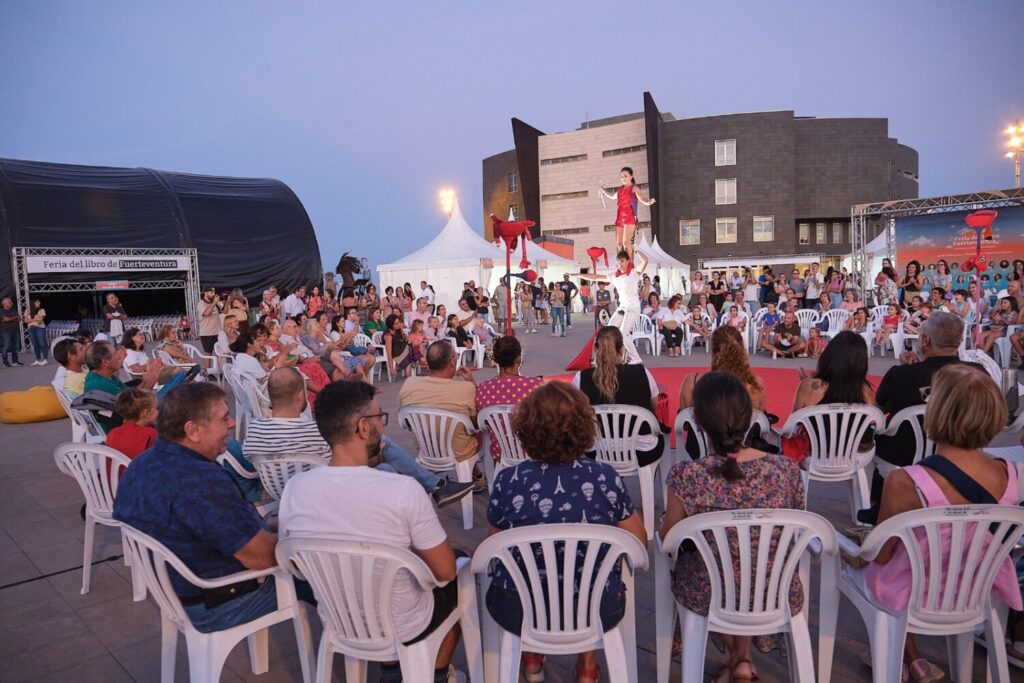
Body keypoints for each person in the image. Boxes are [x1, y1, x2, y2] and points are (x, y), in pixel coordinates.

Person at [278, 381, 468, 683]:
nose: (382, 424)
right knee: (461, 574)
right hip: (405, 624)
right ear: (363, 428)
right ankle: (438, 674)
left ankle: (392, 671)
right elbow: (445, 571)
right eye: (379, 416)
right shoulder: (402, 490)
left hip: (339, 619)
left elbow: (297, 565)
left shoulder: (295, 489)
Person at [851, 364, 1021, 682]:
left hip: (915, 593)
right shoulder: (1009, 474)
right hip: (977, 589)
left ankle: (902, 655)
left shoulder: (905, 480)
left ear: (937, 413)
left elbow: (882, 555)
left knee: (858, 562)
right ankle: (911, 657)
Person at [113, 383, 314, 633]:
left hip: (178, 591)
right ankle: (353, 643)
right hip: (218, 601)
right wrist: (314, 540)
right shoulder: (200, 481)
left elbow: (230, 530)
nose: (231, 424)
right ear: (193, 430)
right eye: (223, 419)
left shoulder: (141, 465)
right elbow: (261, 556)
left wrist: (290, 525)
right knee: (329, 572)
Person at [487, 382, 647, 683]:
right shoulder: (605, 477)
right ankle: (587, 666)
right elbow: (638, 544)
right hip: (598, 608)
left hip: (518, 608)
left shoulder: (508, 480)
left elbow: (495, 544)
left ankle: (531, 657)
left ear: (525, 428)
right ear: (583, 427)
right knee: (589, 579)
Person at [661, 372, 805, 682]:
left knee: (716, 566)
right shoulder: (786, 470)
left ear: (698, 421)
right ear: (750, 416)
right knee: (748, 562)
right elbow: (796, 525)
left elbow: (668, 538)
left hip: (710, 591)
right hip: (773, 587)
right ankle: (742, 658)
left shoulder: (688, 475)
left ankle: (738, 659)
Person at [243, 368, 471, 507]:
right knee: (385, 456)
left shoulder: (254, 432)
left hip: (285, 497)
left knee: (385, 466)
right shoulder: (315, 432)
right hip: (327, 494)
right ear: (301, 395)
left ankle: (433, 488)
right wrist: (375, 459)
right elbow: (345, 465)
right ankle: (432, 489)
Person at [872, 312, 967, 490]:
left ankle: (880, 498)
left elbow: (878, 409)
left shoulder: (900, 374)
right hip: (962, 451)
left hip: (906, 453)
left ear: (925, 340)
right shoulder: (977, 373)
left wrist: (908, 371)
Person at [573, 326, 663, 468]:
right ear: (622, 349)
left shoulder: (581, 377)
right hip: (643, 451)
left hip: (598, 450)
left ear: (596, 349)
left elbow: (575, 413)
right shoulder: (642, 372)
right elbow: (653, 405)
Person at [399, 341, 482, 486]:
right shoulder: (466, 389)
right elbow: (477, 423)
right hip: (458, 452)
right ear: (452, 362)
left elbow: (405, 424)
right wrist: (473, 384)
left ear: (427, 362)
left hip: (425, 448)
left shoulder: (409, 384)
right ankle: (476, 476)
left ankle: (475, 475)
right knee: (479, 430)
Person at [475, 335, 543, 463]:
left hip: (501, 455)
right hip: (535, 453)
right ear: (519, 359)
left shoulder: (483, 389)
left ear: (496, 359)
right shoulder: (535, 386)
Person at [679, 325, 766, 412]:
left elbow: (683, 418)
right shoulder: (755, 385)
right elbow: (760, 419)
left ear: (712, 352)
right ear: (742, 349)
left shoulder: (692, 383)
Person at [589, 250, 650, 364]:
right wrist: (579, 275)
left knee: (622, 333)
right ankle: (607, 358)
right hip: (622, 308)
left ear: (627, 261)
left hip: (632, 308)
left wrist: (635, 249)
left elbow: (645, 260)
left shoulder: (634, 272)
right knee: (608, 331)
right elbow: (596, 277)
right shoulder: (614, 276)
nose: (620, 264)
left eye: (622, 261)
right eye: (618, 262)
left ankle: (636, 358)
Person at [792, 330, 875, 412]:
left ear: (828, 355)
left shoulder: (808, 386)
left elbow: (795, 418)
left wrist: (809, 381)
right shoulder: (866, 391)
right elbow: (875, 415)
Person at [597, 166, 656, 260]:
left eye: (625, 176)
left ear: (631, 176)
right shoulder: (620, 189)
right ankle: (621, 263)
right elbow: (612, 196)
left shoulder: (634, 188)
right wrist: (603, 190)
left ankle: (630, 264)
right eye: (621, 176)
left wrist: (648, 201)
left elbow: (642, 198)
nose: (623, 178)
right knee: (619, 244)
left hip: (630, 218)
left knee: (626, 243)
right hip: (619, 218)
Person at [105, 388, 158, 460]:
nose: (158, 412)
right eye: (155, 408)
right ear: (145, 413)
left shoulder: (112, 433)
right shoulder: (151, 434)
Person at [23, 298, 47, 365]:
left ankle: (45, 359)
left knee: (42, 343)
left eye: (39, 302)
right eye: (37, 302)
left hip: (40, 328)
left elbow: (40, 320)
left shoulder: (41, 310)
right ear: (33, 303)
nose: (39, 303)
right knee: (35, 344)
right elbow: (25, 321)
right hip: (31, 328)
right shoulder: (27, 311)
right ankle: (37, 359)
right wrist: (36, 319)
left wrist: (30, 320)